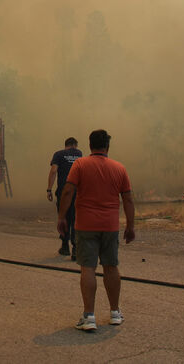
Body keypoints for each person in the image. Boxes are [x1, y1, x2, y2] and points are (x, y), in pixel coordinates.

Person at [57, 129, 135, 332]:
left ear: (90, 146)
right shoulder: (119, 168)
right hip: (110, 226)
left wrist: (62, 218)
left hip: (85, 225)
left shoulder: (80, 165)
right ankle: (115, 313)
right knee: (111, 266)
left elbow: (67, 191)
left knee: (88, 268)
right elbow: (128, 198)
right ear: (107, 147)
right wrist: (131, 226)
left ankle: (89, 316)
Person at [47, 137, 83, 258]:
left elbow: (53, 171)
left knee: (63, 217)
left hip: (63, 192)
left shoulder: (59, 154)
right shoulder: (79, 154)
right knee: (75, 219)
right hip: (77, 192)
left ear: (66, 145)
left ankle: (65, 246)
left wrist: (49, 189)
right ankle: (76, 249)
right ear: (75, 145)